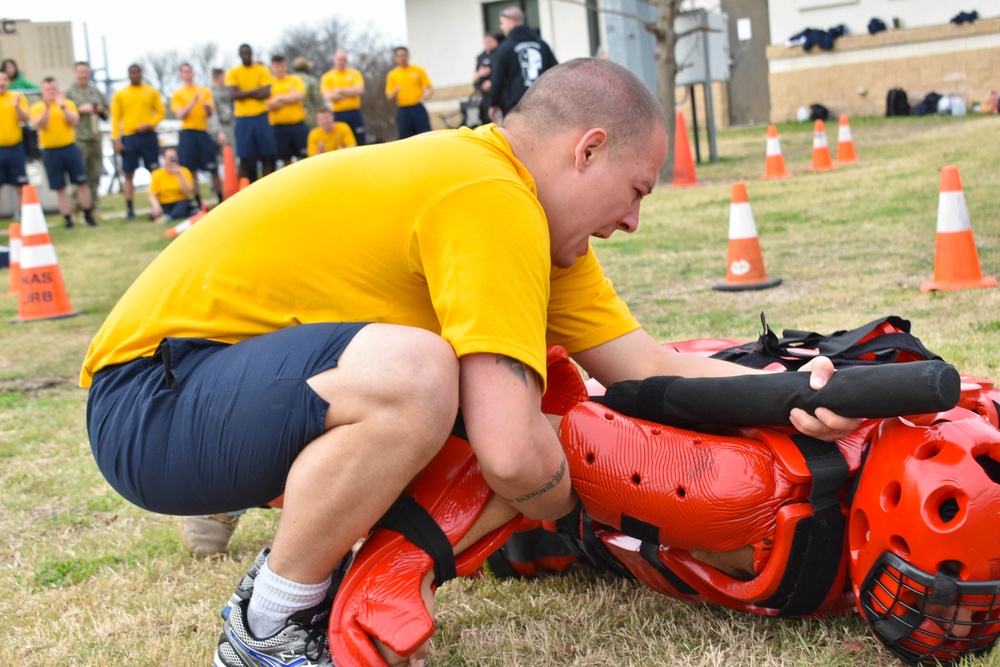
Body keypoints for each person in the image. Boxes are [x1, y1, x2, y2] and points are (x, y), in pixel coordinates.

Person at [81, 58, 860, 667]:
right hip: (149, 402)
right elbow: (515, 456)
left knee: (488, 388)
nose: (632, 218)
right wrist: (575, 494)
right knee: (431, 377)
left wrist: (796, 391)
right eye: (633, 190)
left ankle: (302, 579)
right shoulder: (490, 196)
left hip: (216, 388)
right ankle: (269, 626)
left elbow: (649, 368)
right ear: (586, 149)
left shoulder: (545, 227)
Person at [29, 77, 97, 229]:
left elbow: (74, 121)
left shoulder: (68, 104)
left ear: (58, 90)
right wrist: (48, 107)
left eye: (53, 89)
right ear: (43, 91)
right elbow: (41, 125)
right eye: (48, 90)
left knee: (82, 183)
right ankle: (68, 220)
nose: (51, 93)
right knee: (60, 188)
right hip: (50, 151)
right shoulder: (37, 107)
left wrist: (62, 107)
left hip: (69, 147)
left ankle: (88, 215)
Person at [111, 64, 164, 220]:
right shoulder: (121, 94)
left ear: (141, 74)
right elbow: (115, 118)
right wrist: (116, 140)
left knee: (155, 171)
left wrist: (150, 123)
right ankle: (130, 209)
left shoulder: (151, 91)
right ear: (128, 75)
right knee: (128, 173)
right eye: (132, 73)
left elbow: (161, 112)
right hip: (129, 137)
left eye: (138, 72)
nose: (135, 75)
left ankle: (160, 205)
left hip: (148, 136)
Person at [489, 6, 558, 119]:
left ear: (511, 22)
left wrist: (493, 102)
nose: (501, 27)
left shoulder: (505, 48)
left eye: (502, 23)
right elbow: (556, 72)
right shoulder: (542, 45)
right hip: (544, 103)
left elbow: (497, 78)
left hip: (518, 106)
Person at [171, 63, 223, 207]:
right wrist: (193, 102)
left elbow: (209, 112)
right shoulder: (178, 94)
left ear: (194, 72)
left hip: (202, 132)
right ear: (180, 75)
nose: (188, 73)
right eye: (184, 71)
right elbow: (180, 114)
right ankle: (198, 202)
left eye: (190, 70)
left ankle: (221, 199)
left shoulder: (204, 91)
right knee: (191, 170)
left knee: (213, 168)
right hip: (187, 133)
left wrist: (207, 108)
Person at [226, 44, 276, 182]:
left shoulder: (262, 70)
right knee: (245, 157)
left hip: (261, 116)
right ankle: (245, 190)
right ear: (240, 55)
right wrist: (255, 91)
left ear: (252, 53)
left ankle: (269, 188)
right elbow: (233, 95)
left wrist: (243, 93)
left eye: (248, 53)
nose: (246, 55)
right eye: (244, 53)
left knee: (267, 156)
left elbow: (267, 92)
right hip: (243, 119)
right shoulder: (233, 72)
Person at [65, 62, 109, 211]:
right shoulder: (69, 93)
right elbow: (63, 115)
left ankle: (93, 204)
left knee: (95, 172)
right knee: (78, 175)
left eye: (86, 72)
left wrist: (100, 110)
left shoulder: (96, 91)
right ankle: (76, 206)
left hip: (95, 137)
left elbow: (107, 113)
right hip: (78, 139)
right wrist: (79, 109)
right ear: (74, 73)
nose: (83, 75)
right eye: (80, 72)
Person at [266, 55, 308, 168]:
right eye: (276, 66)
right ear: (272, 67)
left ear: (285, 66)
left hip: (297, 124)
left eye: (282, 66)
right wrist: (289, 98)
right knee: (285, 159)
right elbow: (267, 105)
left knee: (304, 156)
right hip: (278, 127)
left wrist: (278, 98)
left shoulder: (295, 79)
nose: (279, 69)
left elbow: (300, 95)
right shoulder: (268, 83)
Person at [385, 46, 433, 140]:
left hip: (418, 108)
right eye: (400, 56)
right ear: (396, 58)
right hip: (404, 111)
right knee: (405, 139)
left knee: (426, 136)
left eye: (404, 55)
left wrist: (425, 96)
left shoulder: (418, 70)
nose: (402, 58)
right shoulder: (392, 75)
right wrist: (395, 92)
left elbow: (430, 88)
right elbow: (389, 97)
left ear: (408, 56)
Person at [320, 50, 367, 146]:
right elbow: (328, 96)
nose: (342, 62)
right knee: (341, 142)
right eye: (340, 59)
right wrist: (350, 93)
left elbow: (360, 90)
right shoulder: (328, 77)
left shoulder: (355, 73)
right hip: (338, 114)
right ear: (334, 60)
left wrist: (340, 91)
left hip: (355, 112)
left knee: (360, 140)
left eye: (344, 60)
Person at [0, 71, 30, 218]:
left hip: (15, 148)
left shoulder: (17, 97)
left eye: (4, 79)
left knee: (21, 186)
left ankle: (25, 218)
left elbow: (26, 120)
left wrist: (17, 107)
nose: (1, 82)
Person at [147, 147, 194, 221]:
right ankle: (172, 215)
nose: (172, 160)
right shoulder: (157, 174)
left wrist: (180, 174)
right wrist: (156, 206)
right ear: (164, 159)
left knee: (184, 205)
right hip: (165, 204)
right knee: (154, 212)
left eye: (174, 157)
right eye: (170, 157)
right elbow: (153, 194)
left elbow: (188, 193)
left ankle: (169, 218)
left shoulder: (184, 171)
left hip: (180, 202)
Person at [473, 33, 500, 127]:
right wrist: (480, 74)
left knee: (499, 121)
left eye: (489, 42)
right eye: (485, 42)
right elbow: (474, 78)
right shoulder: (480, 57)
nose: (487, 44)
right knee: (486, 121)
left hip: (499, 95)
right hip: (485, 96)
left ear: (495, 42)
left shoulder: (500, 54)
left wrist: (492, 83)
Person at [291, 57, 323, 128]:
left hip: (294, 118)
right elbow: (318, 100)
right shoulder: (311, 80)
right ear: (305, 68)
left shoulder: (290, 81)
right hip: (310, 116)